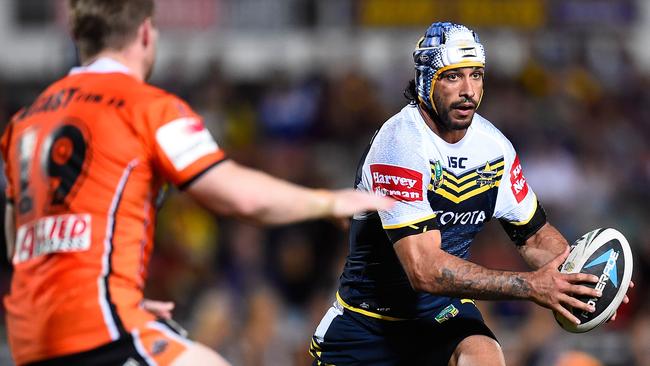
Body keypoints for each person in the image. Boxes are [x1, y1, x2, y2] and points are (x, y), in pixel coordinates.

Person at [0, 1, 393, 365]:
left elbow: (20, 241)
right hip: (98, 325)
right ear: (146, 33)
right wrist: (328, 201)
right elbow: (239, 196)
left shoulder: (24, 122)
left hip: (31, 333)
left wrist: (113, 298)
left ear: (78, 36)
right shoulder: (148, 108)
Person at [309, 22, 632, 366]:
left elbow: (535, 239)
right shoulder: (400, 144)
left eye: (476, 75)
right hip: (367, 325)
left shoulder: (494, 148)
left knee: (483, 353)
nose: (469, 90)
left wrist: (583, 287)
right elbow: (425, 270)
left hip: (441, 314)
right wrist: (531, 286)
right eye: (453, 76)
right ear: (426, 81)